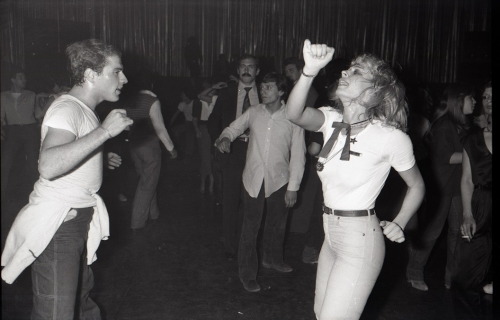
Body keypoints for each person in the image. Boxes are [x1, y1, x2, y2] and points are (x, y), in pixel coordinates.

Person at [286, 39, 425, 319]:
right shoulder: (330, 119)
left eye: (357, 71)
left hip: (360, 239)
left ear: (375, 91)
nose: (345, 73)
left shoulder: (390, 137)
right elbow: (294, 114)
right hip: (331, 235)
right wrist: (309, 72)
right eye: (348, 69)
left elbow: (417, 185)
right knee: (320, 313)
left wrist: (399, 221)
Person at [1, 39, 133, 319]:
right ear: (89, 74)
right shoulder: (67, 108)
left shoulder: (83, 110)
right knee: (57, 313)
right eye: (116, 71)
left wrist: (95, 157)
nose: (124, 78)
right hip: (61, 225)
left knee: (80, 304)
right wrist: (104, 134)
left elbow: (70, 151)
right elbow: (48, 165)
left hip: (77, 220)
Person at [215, 72, 305, 292]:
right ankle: (247, 274)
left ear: (282, 91)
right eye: (262, 87)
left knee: (277, 225)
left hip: (280, 180)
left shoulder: (294, 118)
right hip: (253, 179)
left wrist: (293, 187)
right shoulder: (254, 112)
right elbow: (233, 128)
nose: (263, 91)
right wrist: (225, 138)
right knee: (250, 228)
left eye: (269, 87)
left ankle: (272, 259)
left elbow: (298, 156)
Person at [406, 84, 476, 291]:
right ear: (458, 102)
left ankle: (451, 277)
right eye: (471, 99)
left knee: (457, 232)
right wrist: (478, 150)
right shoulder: (444, 125)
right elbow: (449, 157)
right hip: (441, 187)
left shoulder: (462, 124)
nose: (475, 102)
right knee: (433, 232)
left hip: (456, 187)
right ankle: (414, 272)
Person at [207, 54, 261, 260]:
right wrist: (219, 142)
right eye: (243, 67)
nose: (246, 70)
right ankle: (230, 246)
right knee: (230, 201)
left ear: (257, 71)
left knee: (252, 201)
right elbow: (212, 122)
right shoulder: (227, 93)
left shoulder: (266, 94)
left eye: (251, 67)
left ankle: (249, 244)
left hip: (257, 153)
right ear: (238, 70)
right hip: (232, 152)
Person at [451, 81, 492, 320]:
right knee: (464, 273)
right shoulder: (473, 138)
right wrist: (467, 213)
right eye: (486, 97)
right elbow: (466, 179)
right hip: (480, 205)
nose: (488, 101)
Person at [125, 71, 177, 230]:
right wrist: (172, 148)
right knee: (147, 185)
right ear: (152, 85)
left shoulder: (129, 99)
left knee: (147, 180)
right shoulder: (152, 101)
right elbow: (160, 128)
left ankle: (154, 213)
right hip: (150, 147)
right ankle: (137, 223)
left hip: (134, 146)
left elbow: (126, 125)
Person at [1, 69, 42, 199]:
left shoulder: (31, 94)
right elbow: (1, 116)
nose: (24, 80)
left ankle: (38, 194)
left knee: (32, 163)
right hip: (12, 131)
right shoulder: (3, 95)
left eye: (24, 78)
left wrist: (50, 100)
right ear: (13, 80)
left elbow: (37, 114)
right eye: (20, 78)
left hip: (29, 130)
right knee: (5, 161)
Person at [193, 81, 227, 194]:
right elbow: (199, 96)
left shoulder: (216, 99)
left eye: (212, 90)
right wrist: (213, 86)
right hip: (203, 127)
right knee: (204, 156)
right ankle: (203, 183)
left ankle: (212, 183)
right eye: (209, 90)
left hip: (213, 128)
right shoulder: (204, 99)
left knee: (212, 156)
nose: (210, 92)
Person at [169, 86, 197, 157]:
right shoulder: (182, 104)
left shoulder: (195, 103)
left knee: (191, 136)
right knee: (177, 131)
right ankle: (183, 151)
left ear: (187, 95)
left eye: (183, 95)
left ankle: (190, 153)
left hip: (196, 123)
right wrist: (170, 123)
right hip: (187, 123)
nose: (181, 96)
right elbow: (176, 114)